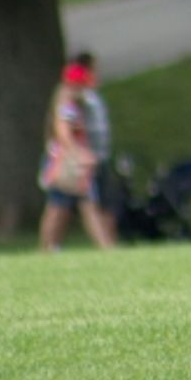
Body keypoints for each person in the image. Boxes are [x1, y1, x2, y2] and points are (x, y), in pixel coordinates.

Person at [38, 63, 116, 251]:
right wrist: (79, 154)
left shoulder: (70, 104)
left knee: (78, 205)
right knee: (59, 208)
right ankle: (46, 248)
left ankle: (50, 247)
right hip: (65, 163)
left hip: (70, 161)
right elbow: (63, 132)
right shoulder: (67, 105)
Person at [71, 51, 119, 244]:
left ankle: (110, 243)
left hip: (100, 156)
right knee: (86, 204)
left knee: (107, 203)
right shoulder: (76, 96)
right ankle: (105, 245)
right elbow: (66, 125)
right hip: (85, 158)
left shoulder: (92, 95)